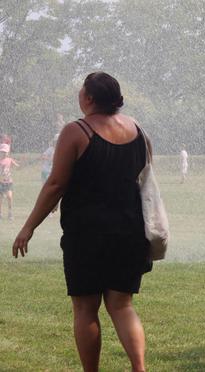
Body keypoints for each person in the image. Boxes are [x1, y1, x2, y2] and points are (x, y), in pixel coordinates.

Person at [12, 72, 152, 372]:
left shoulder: (76, 131)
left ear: (88, 98)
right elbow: (143, 175)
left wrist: (28, 227)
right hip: (130, 232)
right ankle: (139, 369)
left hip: (87, 234)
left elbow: (55, 185)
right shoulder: (138, 130)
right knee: (122, 306)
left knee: (86, 308)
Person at [0, 143, 19, 220]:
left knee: (9, 197)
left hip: (8, 182)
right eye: (2, 152)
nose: (4, 153)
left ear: (8, 152)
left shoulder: (9, 160)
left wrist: (19, 166)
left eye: (5, 152)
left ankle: (10, 213)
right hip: (1, 183)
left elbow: (17, 166)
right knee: (0, 198)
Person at [41, 136, 59, 215]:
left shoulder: (61, 149)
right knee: (48, 191)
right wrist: (50, 158)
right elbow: (43, 156)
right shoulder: (50, 149)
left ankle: (50, 209)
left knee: (52, 191)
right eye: (55, 141)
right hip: (46, 172)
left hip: (53, 172)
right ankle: (47, 209)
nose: (56, 143)